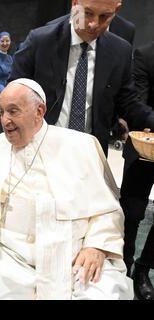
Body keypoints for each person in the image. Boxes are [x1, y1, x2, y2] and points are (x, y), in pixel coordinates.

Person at [0, 78, 133, 300]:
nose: (5, 120)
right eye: (1, 112)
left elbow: (107, 210)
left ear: (39, 111)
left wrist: (96, 246)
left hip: (74, 254)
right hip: (11, 257)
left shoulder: (81, 146)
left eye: (13, 111)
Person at [10, 0, 154, 156]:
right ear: (74, 3)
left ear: (116, 10)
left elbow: (129, 103)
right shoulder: (40, 41)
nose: (93, 24)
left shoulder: (120, 51)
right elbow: (14, 94)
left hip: (89, 155)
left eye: (104, 16)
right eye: (88, 13)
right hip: (39, 148)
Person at [119, 41, 154, 300]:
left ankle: (142, 269)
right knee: (131, 214)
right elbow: (137, 105)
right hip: (144, 147)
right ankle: (122, 268)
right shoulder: (144, 55)